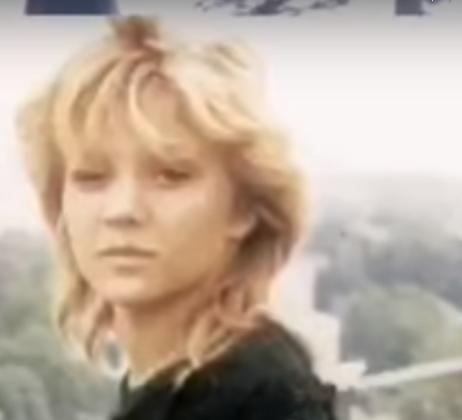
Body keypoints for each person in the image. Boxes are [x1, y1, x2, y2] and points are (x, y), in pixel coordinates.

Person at [16, 16, 337, 420]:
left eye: (170, 176)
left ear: (244, 207)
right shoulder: (172, 384)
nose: (122, 210)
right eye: (91, 177)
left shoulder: (264, 399)